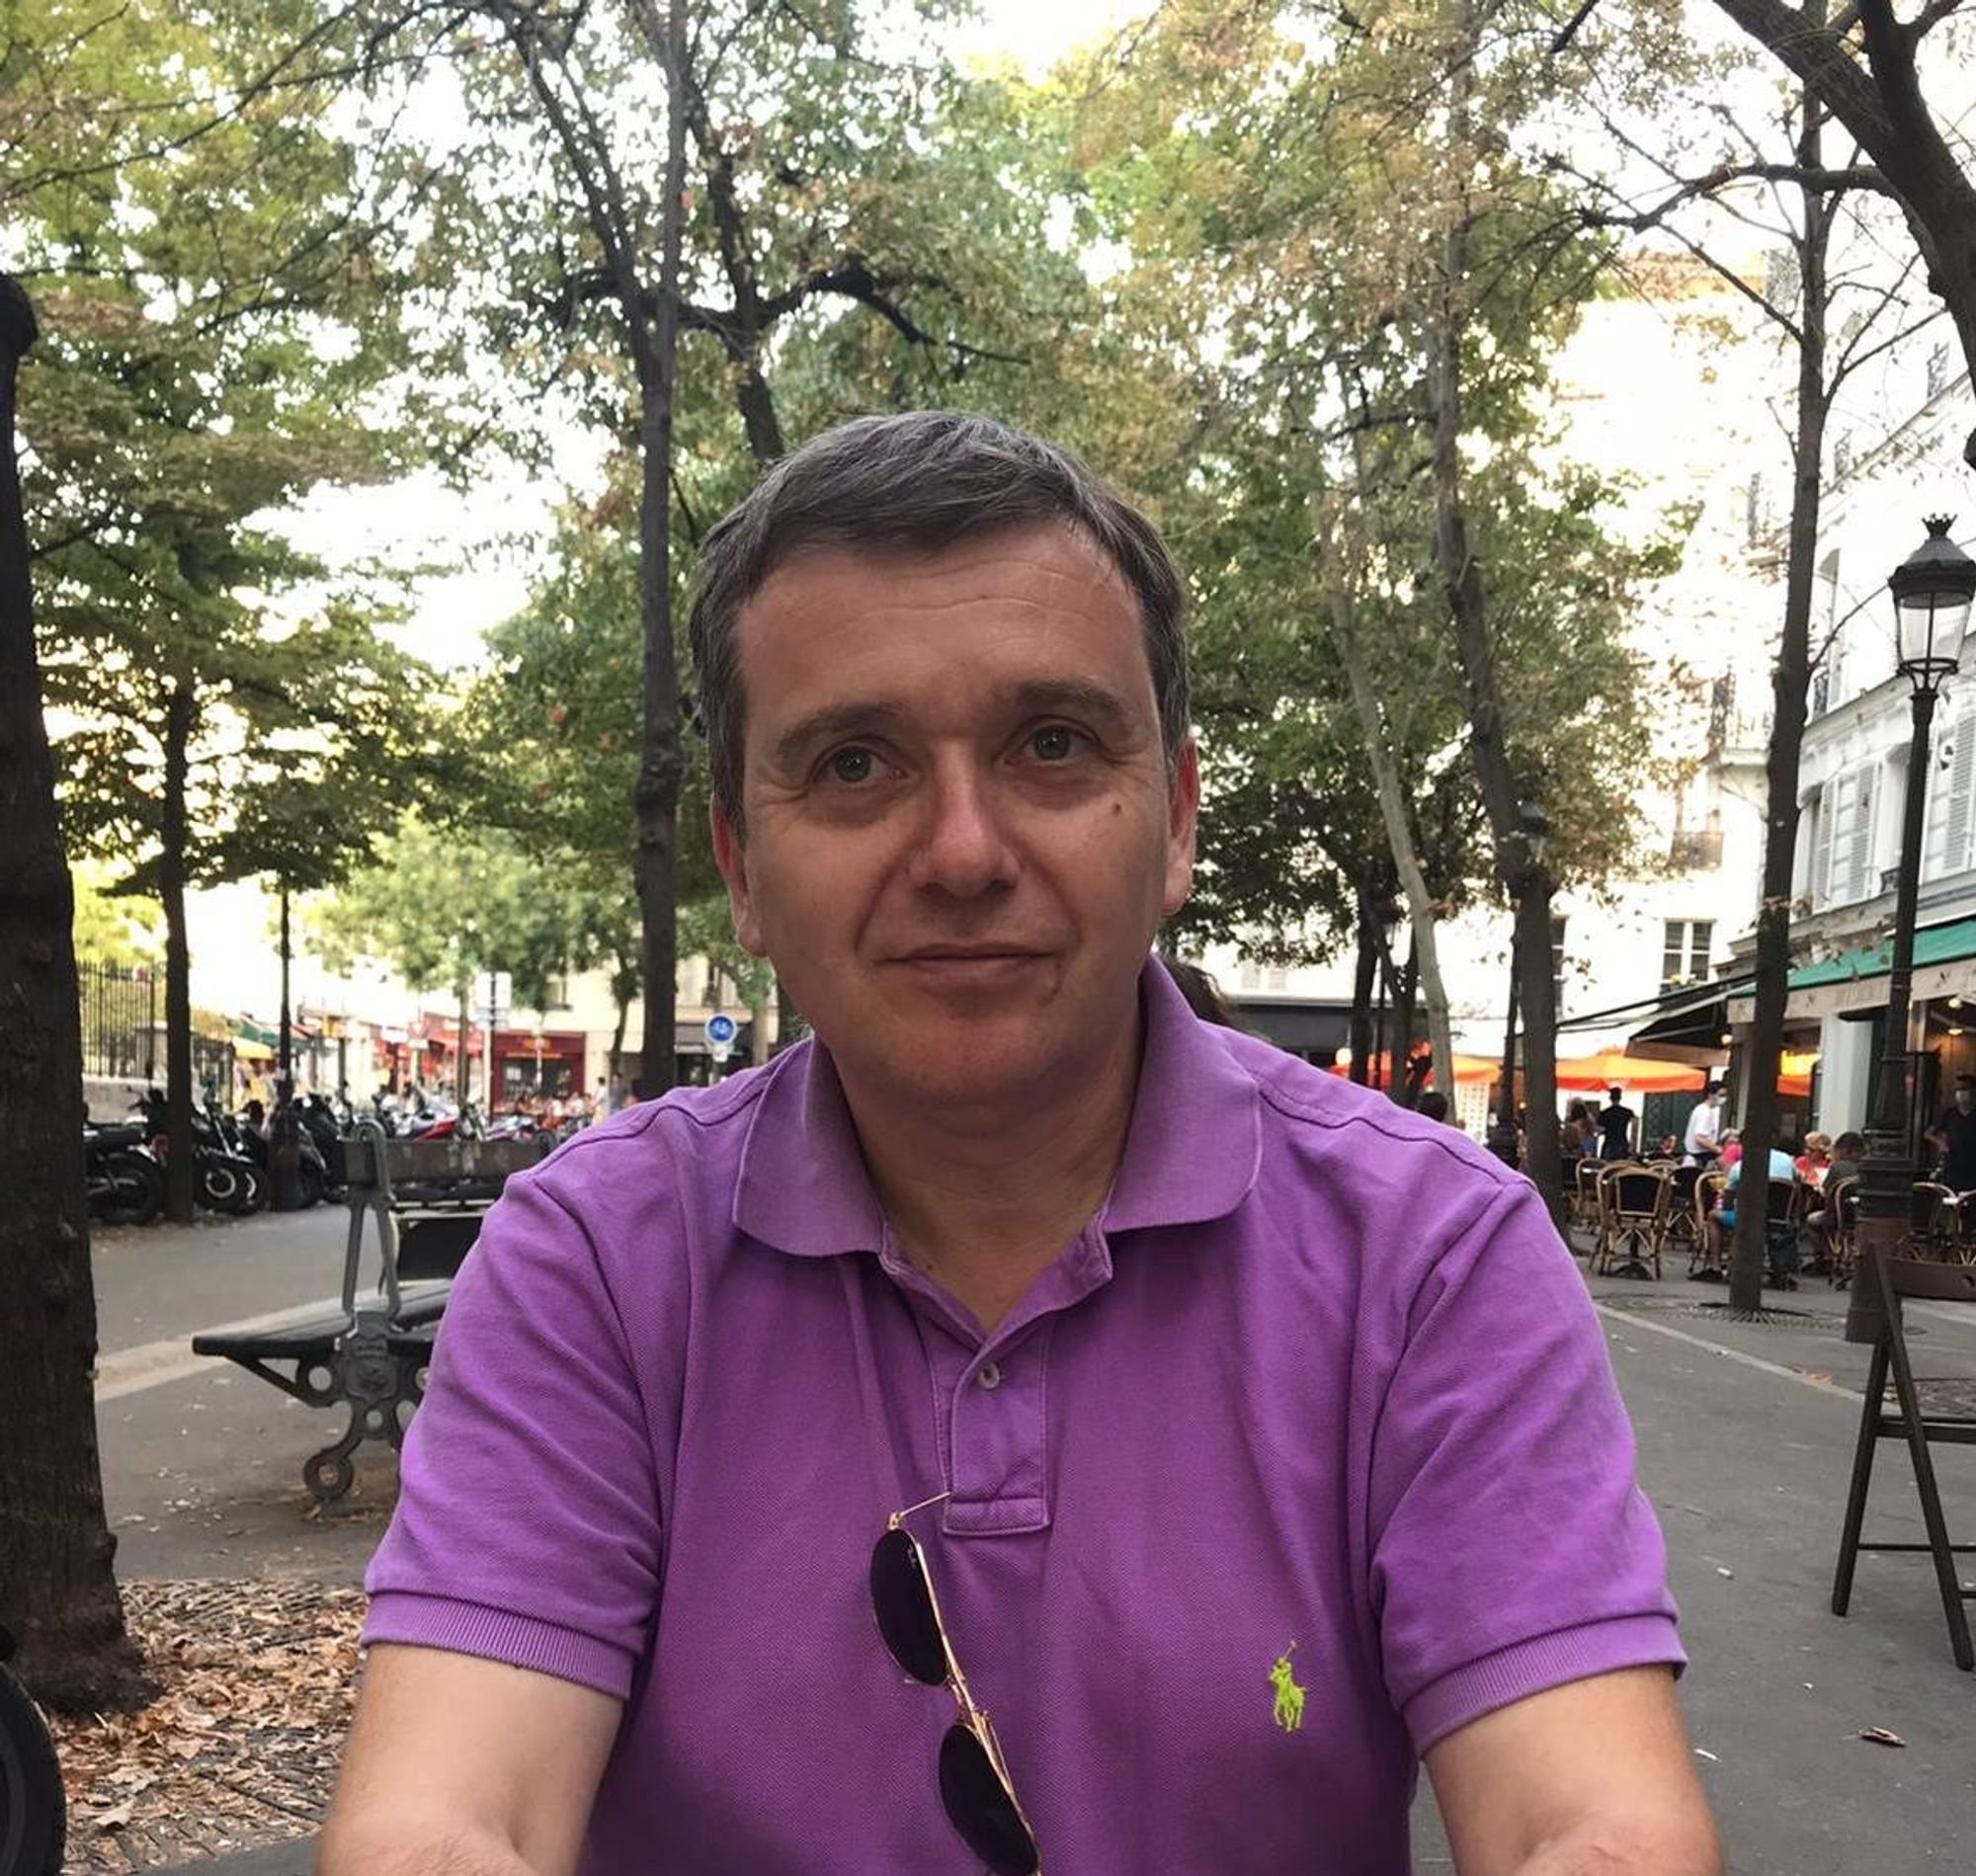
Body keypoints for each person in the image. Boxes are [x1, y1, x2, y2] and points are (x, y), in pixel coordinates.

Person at [322, 413, 1718, 1876]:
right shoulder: (596, 1262)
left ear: (1173, 820)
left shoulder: (1432, 1255)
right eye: (855, 763)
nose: (965, 849)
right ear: (742, 867)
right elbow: (441, 1822)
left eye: (1050, 744)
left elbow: (1596, 1824)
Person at [1926, 1073, 1976, 1192]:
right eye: (1958, 1089)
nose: (1961, 1093)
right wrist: (1941, 1143)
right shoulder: (1950, 1114)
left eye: (1964, 1089)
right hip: (1953, 1165)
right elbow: (1928, 1133)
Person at [1683, 1083, 1723, 1168]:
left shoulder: (1704, 1110)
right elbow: (1700, 1138)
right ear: (1710, 1095)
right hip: (1699, 1158)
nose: (1723, 1098)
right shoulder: (1705, 1112)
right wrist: (1718, 1149)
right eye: (1721, 1095)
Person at [1597, 1084, 1636, 1162]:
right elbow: (1634, 1126)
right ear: (1620, 1097)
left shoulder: (1604, 1113)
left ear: (1610, 1098)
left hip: (1609, 1143)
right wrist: (1632, 1144)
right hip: (1622, 1142)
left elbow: (1600, 1129)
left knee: (1606, 1166)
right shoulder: (1627, 1112)